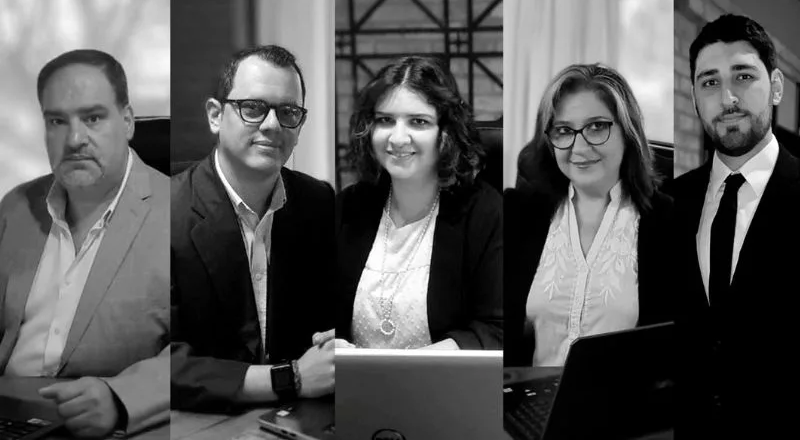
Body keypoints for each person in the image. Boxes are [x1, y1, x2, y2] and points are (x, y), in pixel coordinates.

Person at [0, 49, 169, 438]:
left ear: (127, 121)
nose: (74, 139)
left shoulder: (177, 212)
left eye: (92, 118)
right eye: (57, 121)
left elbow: (204, 347)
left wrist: (122, 397)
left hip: (105, 427)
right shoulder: (16, 208)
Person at [170, 45, 335, 412]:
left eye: (288, 112)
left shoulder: (319, 202)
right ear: (215, 116)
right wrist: (290, 377)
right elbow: (160, 360)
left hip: (299, 419)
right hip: (201, 420)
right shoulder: (165, 214)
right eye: (253, 108)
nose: (273, 125)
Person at [672, 14, 800, 438]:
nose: (727, 98)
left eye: (743, 76)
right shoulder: (668, 204)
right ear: (694, 96)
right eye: (709, 82)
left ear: (776, 86)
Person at [504, 64, 674, 367]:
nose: (579, 147)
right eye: (564, 131)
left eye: (596, 127)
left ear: (627, 132)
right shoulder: (516, 213)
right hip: (529, 394)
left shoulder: (669, 221)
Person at [335, 55, 502, 351]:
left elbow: (494, 329)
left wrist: (415, 366)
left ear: (446, 132)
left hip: (444, 378)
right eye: (385, 120)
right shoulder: (348, 207)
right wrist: (331, 343)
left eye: (418, 122)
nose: (398, 138)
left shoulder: (486, 213)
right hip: (353, 378)